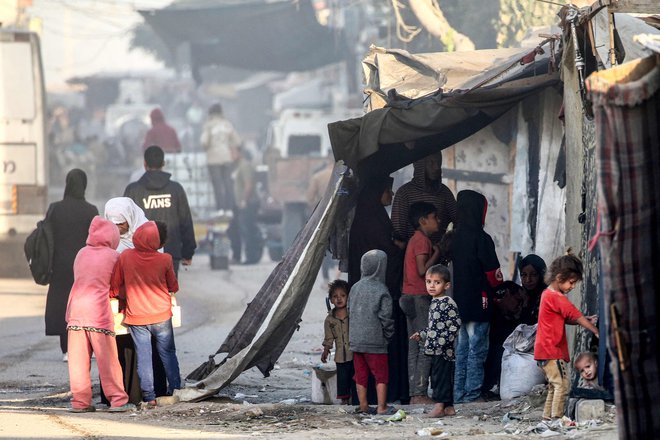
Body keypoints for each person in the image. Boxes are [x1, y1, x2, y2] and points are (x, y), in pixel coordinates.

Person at [65, 216, 134, 413]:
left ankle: (80, 402)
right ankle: (118, 400)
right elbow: (118, 286)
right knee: (108, 360)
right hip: (98, 312)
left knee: (78, 362)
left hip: (76, 311)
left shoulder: (81, 253)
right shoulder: (114, 257)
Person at [347, 175, 407, 403]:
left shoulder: (373, 215)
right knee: (379, 368)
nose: (391, 196)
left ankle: (363, 403)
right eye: (387, 191)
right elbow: (385, 252)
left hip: (359, 336)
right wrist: (400, 249)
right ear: (376, 193)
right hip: (377, 335)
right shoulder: (371, 220)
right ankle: (381, 403)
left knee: (361, 369)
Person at [110, 221, 181, 408]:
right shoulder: (165, 259)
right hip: (161, 316)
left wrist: (122, 296)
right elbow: (173, 286)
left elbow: (114, 287)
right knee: (168, 354)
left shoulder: (125, 257)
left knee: (144, 355)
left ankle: (149, 397)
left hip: (137, 317)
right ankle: (176, 389)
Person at [103, 197, 166, 405]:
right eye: (113, 225)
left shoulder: (147, 235)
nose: (117, 230)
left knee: (146, 350)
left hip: (142, 305)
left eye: (121, 224)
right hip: (117, 303)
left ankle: (149, 393)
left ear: (130, 219)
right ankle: (119, 394)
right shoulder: (105, 240)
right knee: (118, 349)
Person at [451, 190, 503, 403]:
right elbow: (493, 275)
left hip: (459, 302)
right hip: (480, 302)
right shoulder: (482, 239)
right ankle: (472, 394)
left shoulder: (454, 237)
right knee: (477, 349)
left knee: (461, 350)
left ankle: (458, 393)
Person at [533, 252, 599, 421]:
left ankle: (547, 418)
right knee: (562, 384)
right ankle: (557, 418)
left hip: (543, 351)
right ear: (560, 277)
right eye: (571, 282)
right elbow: (574, 314)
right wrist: (594, 329)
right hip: (552, 351)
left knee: (554, 387)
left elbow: (567, 318)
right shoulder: (556, 297)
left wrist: (585, 319)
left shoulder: (547, 295)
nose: (573, 287)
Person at [44, 169, 98, 361]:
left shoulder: (55, 208)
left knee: (61, 305)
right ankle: (84, 345)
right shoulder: (91, 211)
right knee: (83, 305)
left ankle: (66, 349)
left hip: (59, 266)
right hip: (84, 267)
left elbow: (46, 236)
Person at [124, 145, 197, 275]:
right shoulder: (176, 190)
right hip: (171, 254)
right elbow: (185, 222)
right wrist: (188, 253)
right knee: (168, 293)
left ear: (145, 164)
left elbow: (123, 224)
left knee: (143, 294)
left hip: (140, 256)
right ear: (163, 163)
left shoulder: (133, 191)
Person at [401, 202, 442, 404]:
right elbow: (421, 270)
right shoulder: (422, 241)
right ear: (423, 220)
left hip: (407, 296)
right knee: (425, 344)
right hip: (419, 297)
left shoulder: (414, 240)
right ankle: (419, 393)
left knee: (413, 347)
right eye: (435, 216)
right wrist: (437, 253)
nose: (439, 221)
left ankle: (413, 392)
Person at [410, 264, 461, 418]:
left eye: (437, 282)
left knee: (440, 378)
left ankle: (439, 406)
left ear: (446, 285)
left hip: (444, 350)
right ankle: (449, 408)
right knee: (441, 377)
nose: (431, 286)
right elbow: (433, 327)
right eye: (428, 282)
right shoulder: (434, 302)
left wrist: (444, 341)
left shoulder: (447, 302)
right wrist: (422, 334)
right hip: (434, 349)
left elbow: (456, 323)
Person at [349, 250, 396, 415]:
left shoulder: (355, 287)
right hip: (375, 341)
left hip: (356, 340)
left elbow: (349, 310)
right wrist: (388, 335)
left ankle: (363, 406)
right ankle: (382, 407)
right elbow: (386, 317)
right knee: (381, 375)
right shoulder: (381, 289)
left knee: (360, 374)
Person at [391, 151, 457, 244]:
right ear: (420, 165)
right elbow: (398, 233)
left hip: (438, 253)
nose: (437, 167)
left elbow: (459, 221)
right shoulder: (404, 193)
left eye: (439, 163)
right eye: (431, 163)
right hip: (412, 254)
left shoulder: (444, 192)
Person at [482, 281, 525, 399]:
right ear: (506, 295)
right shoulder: (493, 313)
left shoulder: (509, 317)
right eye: (518, 300)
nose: (519, 306)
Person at [200, 103, 241, 212]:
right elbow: (237, 141)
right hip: (226, 157)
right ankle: (229, 208)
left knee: (217, 185)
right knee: (228, 184)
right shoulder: (227, 125)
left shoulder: (209, 125)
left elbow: (204, 142)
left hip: (213, 159)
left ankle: (220, 209)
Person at [321, 280, 354, 405]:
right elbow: (329, 338)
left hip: (354, 353)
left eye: (343, 296)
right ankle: (345, 401)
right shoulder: (330, 319)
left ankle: (355, 398)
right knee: (342, 379)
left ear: (348, 297)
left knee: (355, 377)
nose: (339, 299)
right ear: (330, 300)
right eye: (335, 296)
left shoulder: (353, 314)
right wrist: (325, 350)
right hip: (340, 356)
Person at [227, 145, 262, 264]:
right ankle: (236, 256)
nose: (231, 155)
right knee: (233, 229)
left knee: (248, 230)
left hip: (248, 203)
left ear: (240, 153)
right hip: (239, 204)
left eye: (233, 152)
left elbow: (248, 185)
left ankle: (251, 257)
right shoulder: (236, 167)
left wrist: (244, 200)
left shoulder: (245, 165)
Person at [307, 158, 336, 283]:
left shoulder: (317, 177)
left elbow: (310, 198)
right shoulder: (342, 176)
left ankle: (326, 278)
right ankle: (338, 272)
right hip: (340, 216)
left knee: (324, 246)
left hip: (323, 216)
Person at [518, 254, 548, 324]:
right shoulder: (519, 296)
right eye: (524, 275)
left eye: (534, 274)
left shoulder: (548, 296)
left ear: (541, 275)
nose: (528, 280)